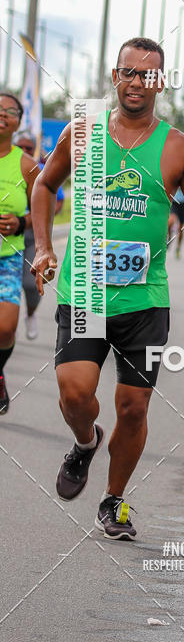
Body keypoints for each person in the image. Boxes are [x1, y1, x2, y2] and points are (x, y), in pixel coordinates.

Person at [31, 36, 184, 538]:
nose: (136, 82)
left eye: (147, 75)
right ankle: (85, 441)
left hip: (145, 301)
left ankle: (113, 500)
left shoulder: (178, 146)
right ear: (113, 76)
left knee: (133, 407)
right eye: (127, 72)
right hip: (85, 292)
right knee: (75, 393)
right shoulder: (82, 134)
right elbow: (45, 184)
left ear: (161, 82)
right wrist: (44, 247)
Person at [0, 94, 40, 413]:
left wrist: (19, 222)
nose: (3, 114)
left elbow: (45, 210)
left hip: (7, 259)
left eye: (10, 111)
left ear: (18, 121)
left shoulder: (27, 166)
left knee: (5, 328)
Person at [14, 132, 64, 340]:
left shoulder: (41, 171)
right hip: (8, 237)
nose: (24, 151)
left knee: (29, 283)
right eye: (20, 147)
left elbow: (58, 199)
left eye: (28, 148)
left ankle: (31, 313)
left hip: (32, 236)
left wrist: (40, 217)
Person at [167, 187, 184, 258]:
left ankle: (178, 248)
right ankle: (169, 237)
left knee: (180, 229)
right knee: (170, 221)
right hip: (174, 201)